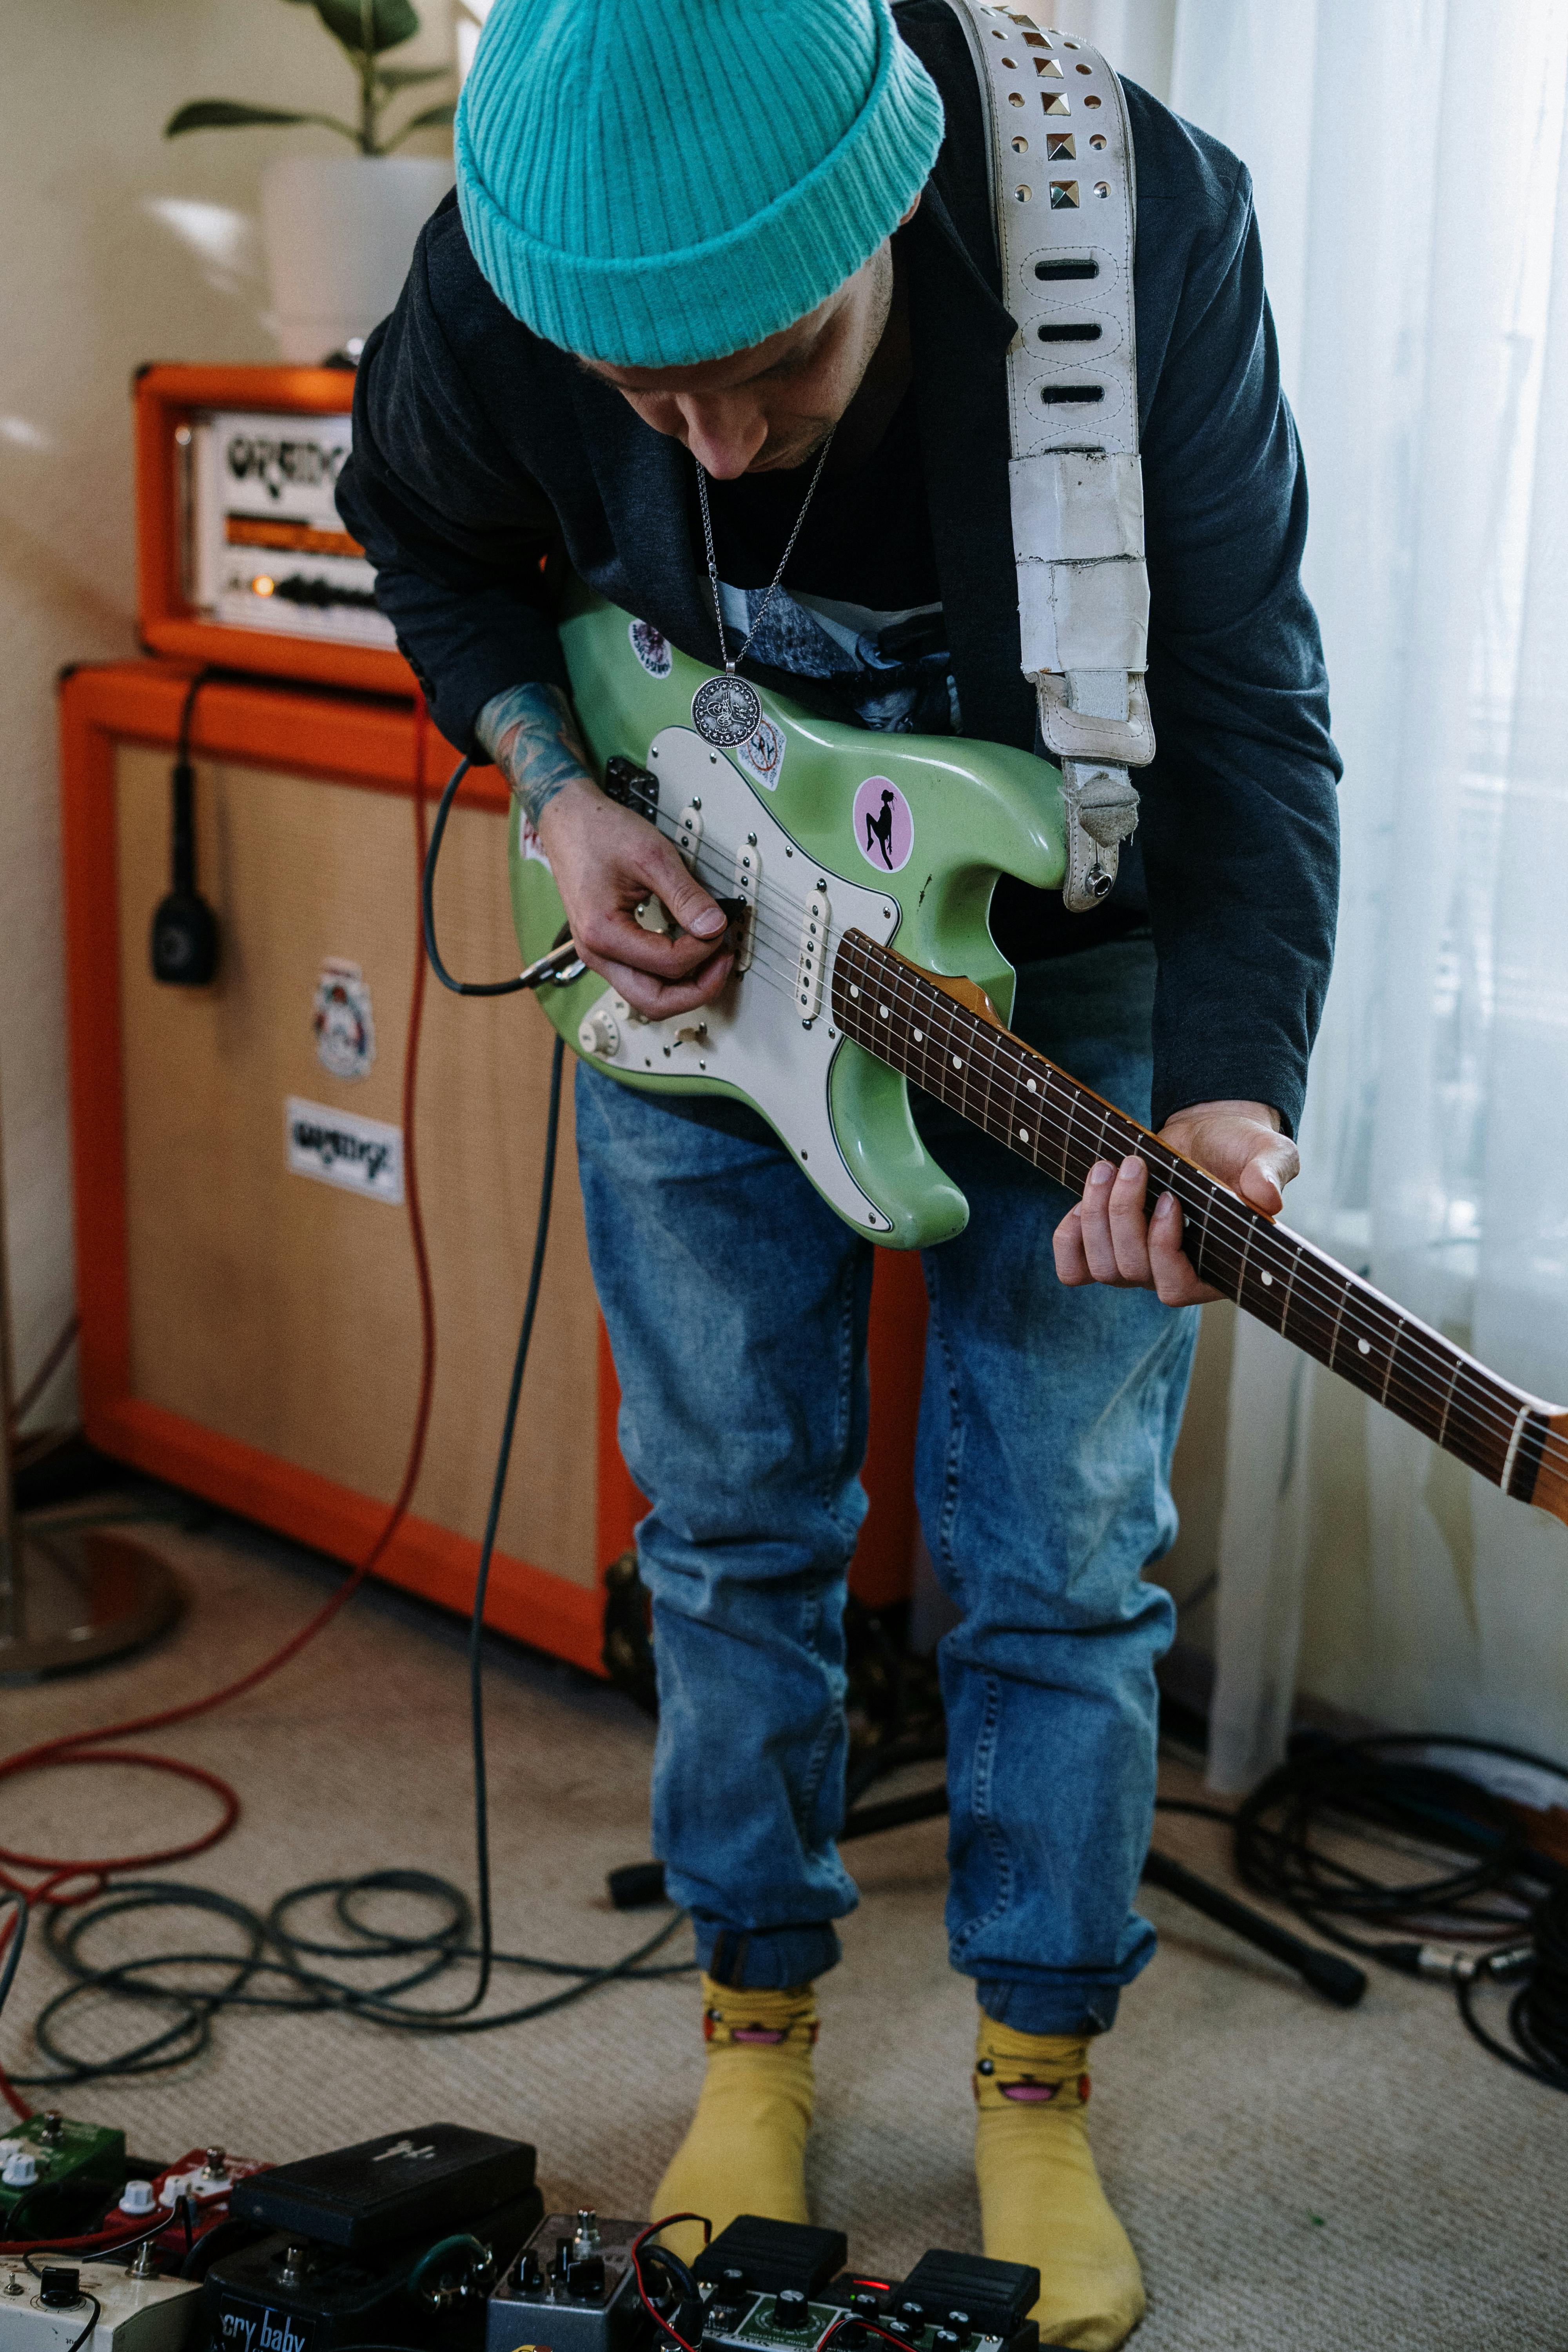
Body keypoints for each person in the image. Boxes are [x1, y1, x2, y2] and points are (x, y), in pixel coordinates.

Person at [337, 2, 1339, 2342]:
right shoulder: (510, 265)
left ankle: (1033, 2079)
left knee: (1061, 1553)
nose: (704, 437)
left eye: (767, 365)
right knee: (728, 1520)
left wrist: (1223, 1094)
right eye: (644, 396)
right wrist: (560, 792)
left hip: (1072, 950)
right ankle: (756, 2034)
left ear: (890, 200)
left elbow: (1260, 697)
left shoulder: (1136, 222)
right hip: (687, 929)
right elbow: (431, 539)